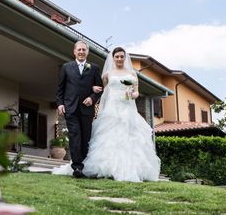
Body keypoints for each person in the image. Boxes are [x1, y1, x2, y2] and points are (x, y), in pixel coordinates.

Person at [54, 46, 160, 182]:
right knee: (106, 136)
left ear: (125, 58)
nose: (120, 59)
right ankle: (89, 167)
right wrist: (91, 89)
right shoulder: (107, 74)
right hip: (111, 108)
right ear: (113, 58)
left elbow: (136, 92)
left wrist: (132, 95)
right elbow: (102, 90)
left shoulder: (132, 74)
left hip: (127, 108)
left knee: (129, 137)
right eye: (117, 57)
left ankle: (129, 169)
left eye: (122, 56)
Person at [55, 40, 103, 178]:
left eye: (84, 50)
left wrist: (92, 98)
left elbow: (99, 89)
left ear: (87, 52)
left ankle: (84, 164)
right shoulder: (66, 67)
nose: (81, 52)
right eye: (79, 50)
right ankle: (77, 168)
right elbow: (60, 88)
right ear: (74, 51)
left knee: (85, 138)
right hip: (71, 108)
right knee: (75, 135)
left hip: (87, 110)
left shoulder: (94, 68)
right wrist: (60, 103)